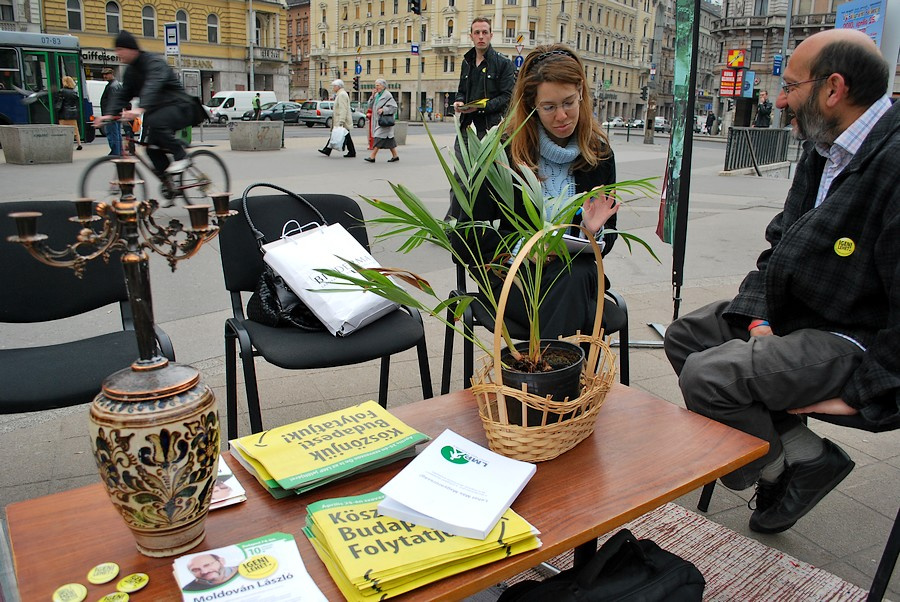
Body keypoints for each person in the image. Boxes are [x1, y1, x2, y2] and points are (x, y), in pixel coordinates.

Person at [663, 28, 898, 535]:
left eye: (790, 85)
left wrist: (863, 393)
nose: (779, 98)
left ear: (833, 89)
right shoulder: (825, 147)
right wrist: (761, 315)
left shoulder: (893, 162)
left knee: (710, 377)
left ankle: (771, 468)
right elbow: (781, 243)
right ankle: (798, 459)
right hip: (800, 316)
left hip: (853, 339)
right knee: (687, 337)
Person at [449, 44, 621, 338]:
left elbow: (611, 233)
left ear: (581, 93)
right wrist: (527, 248)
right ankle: (569, 375)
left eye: (569, 102)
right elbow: (462, 232)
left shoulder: (598, 154)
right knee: (573, 280)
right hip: (510, 275)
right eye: (549, 107)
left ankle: (541, 373)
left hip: (575, 273)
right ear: (531, 106)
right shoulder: (501, 152)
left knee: (575, 272)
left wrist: (589, 231)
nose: (562, 116)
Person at [95, 31, 197, 176]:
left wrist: (141, 108)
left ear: (131, 48)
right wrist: (108, 115)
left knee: (157, 123)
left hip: (179, 105)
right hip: (158, 111)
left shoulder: (153, 62)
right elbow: (123, 94)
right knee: (151, 148)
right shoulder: (131, 71)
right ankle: (169, 183)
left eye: (120, 49)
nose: (118, 53)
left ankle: (181, 156)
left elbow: (153, 84)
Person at [453, 17, 515, 139]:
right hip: (466, 127)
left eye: (485, 32)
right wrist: (459, 101)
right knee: (460, 156)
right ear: (471, 36)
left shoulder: (503, 63)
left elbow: (507, 96)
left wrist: (481, 107)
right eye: (477, 33)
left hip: (491, 130)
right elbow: (462, 91)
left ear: (491, 35)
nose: (481, 36)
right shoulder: (466, 63)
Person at [318, 79, 356, 158]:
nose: (333, 88)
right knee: (343, 135)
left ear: (338, 86)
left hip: (341, 119)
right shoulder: (340, 94)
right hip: (340, 119)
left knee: (338, 134)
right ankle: (351, 151)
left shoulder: (341, 95)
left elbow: (343, 108)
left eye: (334, 86)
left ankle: (328, 149)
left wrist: (341, 120)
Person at [364, 78, 399, 163]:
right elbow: (370, 105)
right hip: (378, 120)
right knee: (388, 139)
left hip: (384, 121)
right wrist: (372, 96)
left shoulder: (387, 95)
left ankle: (372, 156)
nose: (376, 87)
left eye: (378, 85)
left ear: (383, 86)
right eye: (375, 85)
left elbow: (394, 107)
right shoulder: (377, 95)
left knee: (379, 137)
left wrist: (384, 110)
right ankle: (395, 156)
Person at [55, 76, 82, 151]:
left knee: (63, 129)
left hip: (64, 113)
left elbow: (59, 103)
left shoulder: (62, 91)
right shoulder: (74, 92)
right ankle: (79, 143)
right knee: (75, 129)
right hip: (72, 113)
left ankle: (65, 145)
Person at [100, 68, 122, 156]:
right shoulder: (115, 84)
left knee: (112, 134)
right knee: (116, 133)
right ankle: (118, 151)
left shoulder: (112, 86)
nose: (105, 76)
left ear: (111, 74)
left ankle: (115, 151)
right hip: (115, 114)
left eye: (107, 74)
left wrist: (109, 114)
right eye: (104, 74)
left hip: (111, 115)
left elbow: (112, 101)